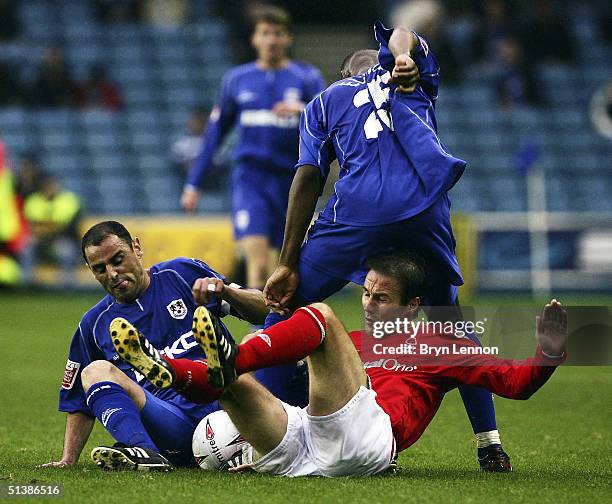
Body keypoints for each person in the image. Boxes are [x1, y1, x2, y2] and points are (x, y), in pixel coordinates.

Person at [262, 21, 509, 469]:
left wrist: (286, 262)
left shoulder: (324, 101)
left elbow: (307, 177)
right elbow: (402, 31)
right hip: (424, 208)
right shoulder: (411, 76)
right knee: (450, 327)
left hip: (359, 212)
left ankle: (277, 430)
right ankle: (490, 443)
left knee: (282, 312)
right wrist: (403, 57)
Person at [113, 252, 567, 476]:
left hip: (370, 441)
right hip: (311, 441)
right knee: (239, 386)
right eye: (366, 293)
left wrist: (548, 353)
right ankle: (172, 372)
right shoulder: (354, 345)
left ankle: (230, 359)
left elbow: (516, 382)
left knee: (320, 318)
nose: (368, 305)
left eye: (381, 297)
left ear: (411, 306)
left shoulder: (441, 343)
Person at [39, 220, 268, 470]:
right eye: (100, 269)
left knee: (258, 340)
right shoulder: (93, 325)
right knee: (95, 372)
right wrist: (67, 460)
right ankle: (146, 452)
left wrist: (225, 291)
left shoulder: (180, 274)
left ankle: (292, 424)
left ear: (136, 248)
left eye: (117, 260)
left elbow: (264, 312)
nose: (112, 274)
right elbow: (78, 402)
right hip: (174, 429)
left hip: (230, 404)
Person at [181, 5, 325, 292]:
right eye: (265, 33)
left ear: (288, 39)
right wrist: (193, 183)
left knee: (284, 268)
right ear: (254, 39)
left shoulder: (306, 78)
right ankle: (258, 333)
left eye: (278, 33)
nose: (271, 40)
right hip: (251, 179)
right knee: (258, 266)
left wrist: (302, 109)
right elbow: (215, 134)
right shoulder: (237, 80)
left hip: (293, 181)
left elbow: (330, 120)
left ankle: (274, 330)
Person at [21, 174, 82, 287]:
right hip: (41, 239)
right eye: (47, 186)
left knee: (67, 251)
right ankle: (27, 282)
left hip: (61, 238)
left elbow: (64, 226)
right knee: (27, 247)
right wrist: (46, 228)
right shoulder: (34, 200)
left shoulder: (68, 199)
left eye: (52, 185)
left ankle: (67, 285)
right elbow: (32, 225)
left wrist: (45, 228)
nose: (50, 188)